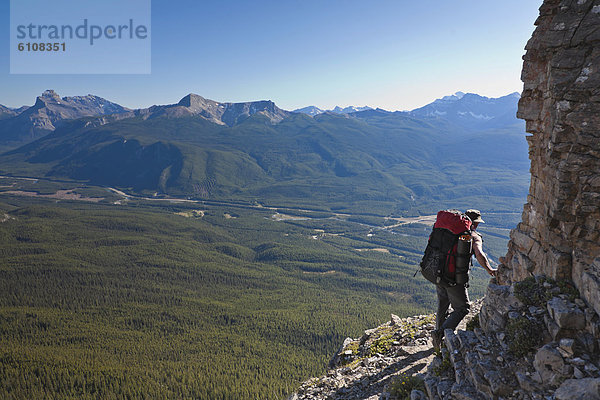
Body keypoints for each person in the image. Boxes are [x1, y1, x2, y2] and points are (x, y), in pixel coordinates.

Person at [431, 209, 497, 351]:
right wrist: (489, 269)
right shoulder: (473, 235)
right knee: (463, 308)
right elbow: (479, 253)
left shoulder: (449, 230)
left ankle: (439, 336)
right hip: (454, 277)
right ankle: (440, 334)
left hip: (438, 272)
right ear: (476, 223)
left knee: (443, 303)